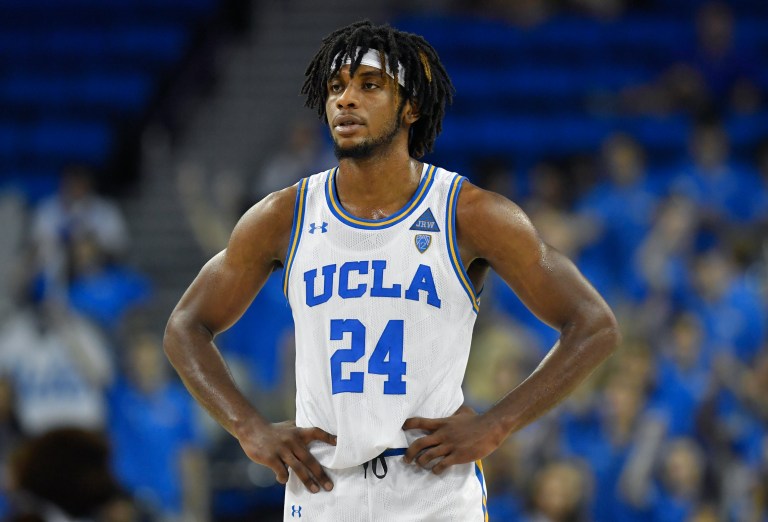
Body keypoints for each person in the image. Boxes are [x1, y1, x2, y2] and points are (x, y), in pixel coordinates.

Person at [163, 20, 620, 521]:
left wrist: (498, 424)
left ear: (410, 107)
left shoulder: (469, 212)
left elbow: (593, 324)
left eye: (369, 85)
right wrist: (248, 428)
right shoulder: (284, 215)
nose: (345, 100)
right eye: (336, 87)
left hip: (433, 490)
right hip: (323, 489)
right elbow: (186, 326)